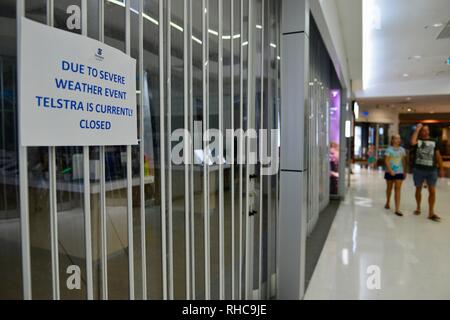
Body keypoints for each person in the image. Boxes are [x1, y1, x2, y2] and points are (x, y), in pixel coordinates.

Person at [410, 123, 445, 222]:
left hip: (432, 170)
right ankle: (418, 207)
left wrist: (441, 169)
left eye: (427, 130)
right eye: (423, 130)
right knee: (418, 189)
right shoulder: (418, 141)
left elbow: (438, 156)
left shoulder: (434, 141)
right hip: (418, 169)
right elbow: (412, 142)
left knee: (432, 191)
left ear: (429, 131)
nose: (425, 132)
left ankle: (431, 212)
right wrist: (417, 129)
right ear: (421, 132)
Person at [384, 134, 407, 216]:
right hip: (389, 171)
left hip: (399, 172)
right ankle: (387, 202)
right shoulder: (388, 150)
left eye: (399, 138)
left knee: (398, 189)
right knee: (389, 188)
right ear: (392, 140)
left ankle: (397, 209)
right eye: (396, 138)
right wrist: (390, 170)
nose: (398, 140)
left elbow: (404, 161)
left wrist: (405, 171)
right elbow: (386, 161)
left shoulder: (402, 150)